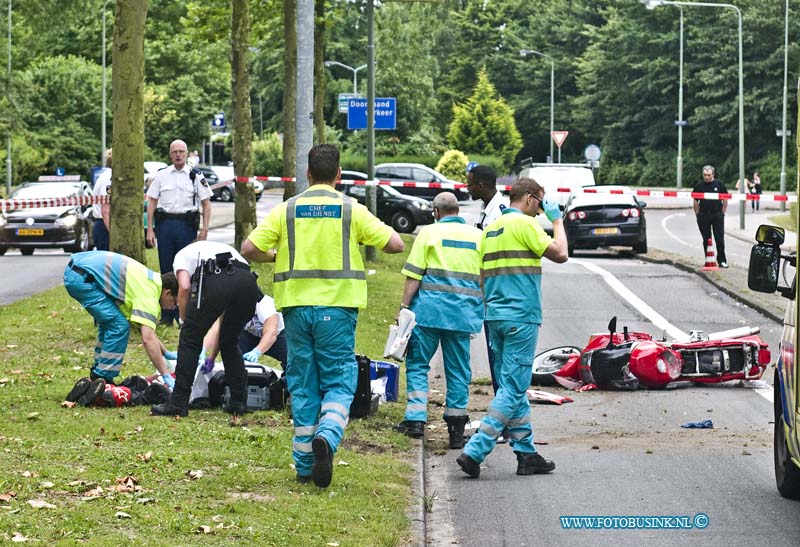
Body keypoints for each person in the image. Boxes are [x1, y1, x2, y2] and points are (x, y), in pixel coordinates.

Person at [242, 144, 404, 488]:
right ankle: (328, 436)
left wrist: (276, 257)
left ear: (308, 174)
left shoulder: (287, 210)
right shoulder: (351, 210)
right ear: (340, 175)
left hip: (296, 310)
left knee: (302, 381)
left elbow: (249, 249)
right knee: (340, 378)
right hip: (337, 310)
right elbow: (395, 245)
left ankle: (303, 465)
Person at [456, 177, 568, 479]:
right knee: (514, 387)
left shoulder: (491, 230)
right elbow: (561, 253)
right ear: (530, 199)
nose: (540, 210)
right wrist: (557, 221)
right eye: (540, 203)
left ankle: (526, 454)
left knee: (510, 386)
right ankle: (476, 451)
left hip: (495, 317)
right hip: (521, 317)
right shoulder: (526, 225)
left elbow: (481, 276)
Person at [394, 192, 483, 450]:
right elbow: (485, 277)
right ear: (457, 211)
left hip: (429, 313)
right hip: (462, 316)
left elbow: (414, 276)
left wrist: (404, 307)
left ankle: (415, 421)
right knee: (458, 371)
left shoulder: (429, 234)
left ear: (435, 212)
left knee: (418, 364)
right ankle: (456, 431)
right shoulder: (478, 237)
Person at [151, 240, 262, 418]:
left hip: (217, 277)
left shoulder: (180, 257)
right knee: (229, 341)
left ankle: (178, 402)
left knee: (189, 338)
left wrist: (185, 319)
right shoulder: (218, 247)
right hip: (248, 284)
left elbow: (185, 287)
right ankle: (238, 401)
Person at [63, 251, 179, 397]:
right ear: (167, 293)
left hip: (78, 272)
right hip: (83, 278)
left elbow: (147, 331)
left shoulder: (151, 281)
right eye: (175, 303)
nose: (173, 308)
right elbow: (147, 339)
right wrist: (165, 375)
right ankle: (104, 378)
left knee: (109, 324)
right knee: (118, 326)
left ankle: (97, 375)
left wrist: (166, 353)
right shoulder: (149, 297)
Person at [465, 164, 510, 440]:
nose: (467, 187)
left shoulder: (500, 213)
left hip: (497, 296)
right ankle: (503, 420)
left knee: (500, 363)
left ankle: (503, 423)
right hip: (490, 296)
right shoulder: (489, 211)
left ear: (482, 184)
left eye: (470, 183)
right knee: (497, 363)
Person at [146, 139, 212, 323]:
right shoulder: (161, 175)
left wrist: (204, 231)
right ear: (170, 154)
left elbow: (206, 204)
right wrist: (150, 229)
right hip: (165, 225)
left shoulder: (196, 175)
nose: (178, 154)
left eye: (181, 151)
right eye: (174, 151)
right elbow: (152, 201)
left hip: (186, 225)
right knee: (166, 270)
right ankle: (168, 313)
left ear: (187, 153)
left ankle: (186, 314)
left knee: (187, 270)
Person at [692, 165, 728, 268]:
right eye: (704, 175)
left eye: (708, 175)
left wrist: (722, 212)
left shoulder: (719, 184)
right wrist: (698, 214)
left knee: (719, 238)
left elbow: (725, 199)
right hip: (703, 215)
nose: (706, 177)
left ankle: (722, 260)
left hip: (717, 214)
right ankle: (708, 260)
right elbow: (695, 200)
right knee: (706, 239)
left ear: (713, 174)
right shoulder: (699, 186)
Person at [92, 149, 113, 251]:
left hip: (104, 224)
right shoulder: (109, 178)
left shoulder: (106, 175)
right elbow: (105, 211)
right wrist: (113, 235)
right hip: (105, 225)